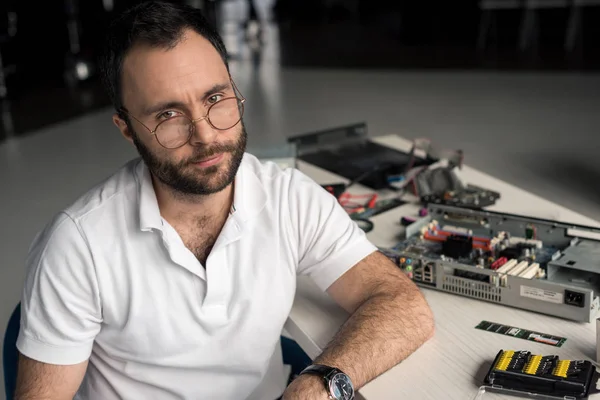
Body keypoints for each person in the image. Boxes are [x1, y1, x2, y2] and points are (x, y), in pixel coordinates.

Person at [14, 2, 434, 399]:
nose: (206, 135)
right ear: (127, 128)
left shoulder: (289, 198)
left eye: (215, 98)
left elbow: (402, 304)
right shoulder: (77, 245)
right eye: (168, 116)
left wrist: (320, 385)